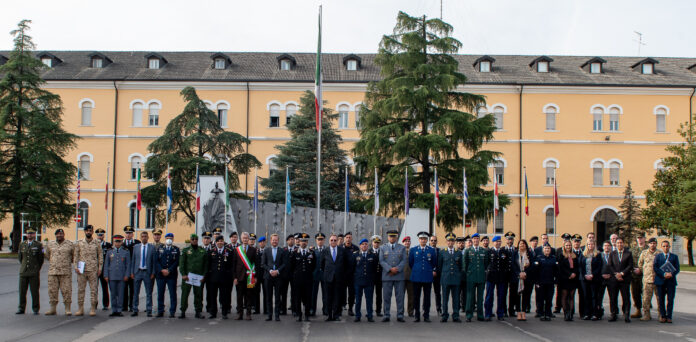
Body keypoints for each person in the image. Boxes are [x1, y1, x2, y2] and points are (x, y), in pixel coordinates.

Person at [73, 225, 104, 316]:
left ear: (92, 232)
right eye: (87, 231)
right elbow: (76, 256)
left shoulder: (97, 242)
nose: (88, 232)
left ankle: (93, 308)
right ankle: (80, 308)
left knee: (93, 290)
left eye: (90, 231)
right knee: (81, 290)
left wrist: (100, 268)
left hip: (93, 270)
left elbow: (100, 256)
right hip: (82, 270)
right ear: (84, 232)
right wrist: (76, 267)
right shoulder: (79, 243)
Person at [45, 228, 75, 316]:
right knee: (52, 291)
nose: (59, 235)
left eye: (61, 234)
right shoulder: (50, 244)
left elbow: (73, 257)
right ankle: (52, 309)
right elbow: (47, 255)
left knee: (66, 290)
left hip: (65, 272)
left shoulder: (70, 244)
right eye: (58, 234)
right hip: (53, 272)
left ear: (64, 235)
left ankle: (67, 309)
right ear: (55, 235)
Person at [380, 230, 407, 322]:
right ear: (388, 237)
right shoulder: (383, 248)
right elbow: (381, 261)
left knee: (400, 297)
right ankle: (386, 314)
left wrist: (396, 269)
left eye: (394, 236)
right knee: (386, 296)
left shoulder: (402, 248)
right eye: (390, 236)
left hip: (399, 276)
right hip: (387, 276)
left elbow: (404, 260)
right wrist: (390, 269)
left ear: (396, 237)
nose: (392, 238)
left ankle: (400, 315)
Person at [409, 231, 437, 322]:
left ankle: (426, 315)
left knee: (427, 297)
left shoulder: (431, 250)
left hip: (427, 277)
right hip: (416, 277)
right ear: (418, 239)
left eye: (425, 239)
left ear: (427, 240)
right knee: (416, 297)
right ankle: (417, 315)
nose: (423, 240)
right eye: (421, 239)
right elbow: (411, 263)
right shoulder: (413, 250)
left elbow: (434, 263)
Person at [179, 234, 209, 319]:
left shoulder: (202, 251)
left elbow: (205, 265)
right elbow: (182, 264)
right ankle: (183, 311)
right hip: (188, 276)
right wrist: (183, 274)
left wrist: (204, 275)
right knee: (185, 294)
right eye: (193, 239)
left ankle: (198, 311)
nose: (194, 240)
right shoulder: (185, 250)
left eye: (196, 239)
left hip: (198, 277)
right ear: (190, 240)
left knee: (198, 295)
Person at [320, 234, 349, 321]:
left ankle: (336, 315)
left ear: (337, 241)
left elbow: (345, 263)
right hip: (328, 277)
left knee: (337, 297)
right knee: (328, 297)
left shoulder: (342, 250)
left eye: (335, 240)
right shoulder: (325, 251)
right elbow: (322, 264)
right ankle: (329, 315)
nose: (333, 242)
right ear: (329, 241)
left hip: (339, 277)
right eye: (331, 240)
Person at [604, 236, 633, 322]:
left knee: (626, 297)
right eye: (618, 243)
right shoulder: (612, 253)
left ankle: (626, 314)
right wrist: (616, 274)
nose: (619, 244)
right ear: (615, 244)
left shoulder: (628, 253)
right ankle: (613, 314)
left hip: (624, 279)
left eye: (621, 243)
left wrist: (622, 273)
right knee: (613, 297)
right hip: (614, 279)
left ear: (623, 243)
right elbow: (610, 265)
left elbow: (630, 265)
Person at [288, 233, 315, 321]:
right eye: (302, 241)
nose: (303, 243)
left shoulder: (311, 253)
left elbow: (314, 265)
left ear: (307, 242)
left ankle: (307, 315)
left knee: (308, 298)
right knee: (297, 297)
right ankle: (299, 314)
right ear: (299, 242)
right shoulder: (295, 253)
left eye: (305, 241)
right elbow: (291, 266)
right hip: (297, 280)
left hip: (308, 279)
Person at [17, 228, 44, 315]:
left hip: (34, 272)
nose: (30, 235)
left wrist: (36, 268)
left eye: (31, 234)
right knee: (22, 291)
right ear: (26, 235)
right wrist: (24, 266)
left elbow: (41, 259)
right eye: (28, 234)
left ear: (34, 235)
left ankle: (35, 308)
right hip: (24, 271)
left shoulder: (38, 245)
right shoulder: (22, 244)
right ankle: (21, 308)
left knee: (34, 291)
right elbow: (20, 258)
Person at [261, 234, 288, 321]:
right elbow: (263, 264)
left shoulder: (282, 251)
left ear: (278, 241)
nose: (274, 241)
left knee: (277, 297)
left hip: (278, 277)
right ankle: (269, 315)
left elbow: (284, 264)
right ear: (270, 241)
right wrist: (270, 270)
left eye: (276, 240)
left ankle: (277, 315)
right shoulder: (266, 251)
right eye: (273, 240)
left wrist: (277, 271)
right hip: (268, 277)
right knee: (268, 297)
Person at [232, 232, 257, 320]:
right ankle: (240, 313)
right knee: (239, 296)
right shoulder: (237, 250)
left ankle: (248, 314)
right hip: (239, 277)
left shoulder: (253, 250)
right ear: (241, 239)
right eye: (244, 238)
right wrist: (234, 277)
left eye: (247, 238)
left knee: (249, 296)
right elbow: (234, 264)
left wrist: (255, 276)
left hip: (249, 277)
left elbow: (255, 263)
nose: (245, 240)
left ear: (249, 239)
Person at [463, 233, 488, 322]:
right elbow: (464, 264)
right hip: (471, 277)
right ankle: (469, 315)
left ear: (479, 240)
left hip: (480, 276)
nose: (476, 240)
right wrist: (467, 274)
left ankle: (480, 315)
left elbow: (486, 263)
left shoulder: (483, 251)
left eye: (477, 239)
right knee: (470, 297)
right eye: (474, 239)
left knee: (480, 297)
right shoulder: (468, 251)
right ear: (472, 240)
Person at [104, 235, 131, 317]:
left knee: (120, 294)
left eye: (119, 241)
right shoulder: (109, 251)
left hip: (122, 276)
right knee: (113, 293)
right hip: (112, 276)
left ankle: (119, 309)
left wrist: (127, 275)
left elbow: (128, 265)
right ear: (114, 242)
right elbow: (106, 264)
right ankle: (114, 310)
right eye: (116, 241)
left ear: (122, 242)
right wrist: (106, 275)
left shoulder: (126, 251)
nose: (118, 243)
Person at [484, 235, 510, 321]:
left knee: (501, 296)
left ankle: (500, 313)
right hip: (491, 276)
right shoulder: (489, 251)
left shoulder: (504, 252)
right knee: (489, 296)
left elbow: (506, 264)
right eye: (496, 241)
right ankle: (488, 313)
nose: (498, 243)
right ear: (493, 242)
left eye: (499, 241)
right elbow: (486, 263)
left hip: (501, 276)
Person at [130, 231, 155, 317]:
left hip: (147, 272)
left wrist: (153, 272)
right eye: (142, 236)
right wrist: (132, 272)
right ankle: (135, 309)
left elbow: (153, 262)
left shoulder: (152, 247)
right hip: (137, 272)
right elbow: (133, 260)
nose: (144, 238)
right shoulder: (136, 247)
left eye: (145, 236)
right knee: (136, 292)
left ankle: (149, 310)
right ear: (140, 238)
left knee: (148, 292)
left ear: (148, 238)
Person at [208, 236, 233, 319]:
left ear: (224, 242)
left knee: (224, 296)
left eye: (221, 241)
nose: (220, 242)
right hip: (213, 278)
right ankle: (213, 312)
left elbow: (231, 265)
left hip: (224, 278)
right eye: (218, 241)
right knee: (213, 296)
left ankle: (224, 312)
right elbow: (208, 265)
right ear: (215, 242)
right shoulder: (211, 251)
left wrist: (230, 276)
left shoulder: (228, 251)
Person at [352, 238, 377, 322]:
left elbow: (375, 268)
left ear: (368, 245)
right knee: (358, 299)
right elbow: (353, 268)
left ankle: (370, 315)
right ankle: (357, 315)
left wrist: (373, 279)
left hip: (369, 281)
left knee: (369, 299)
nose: (364, 245)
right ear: (360, 246)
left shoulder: (372, 255)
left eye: (366, 244)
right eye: (362, 244)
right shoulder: (355, 255)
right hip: (358, 281)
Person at [438, 232, 462, 322]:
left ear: (454, 242)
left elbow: (460, 266)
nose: (450, 243)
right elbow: (439, 266)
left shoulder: (458, 253)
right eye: (449, 241)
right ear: (446, 242)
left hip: (455, 278)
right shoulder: (442, 252)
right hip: (445, 278)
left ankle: (455, 315)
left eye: (452, 241)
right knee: (445, 298)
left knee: (456, 298)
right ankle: (444, 315)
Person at [654, 240, 679, 323]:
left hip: (671, 281)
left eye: (667, 246)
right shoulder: (658, 256)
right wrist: (664, 274)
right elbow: (655, 268)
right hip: (660, 281)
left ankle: (669, 316)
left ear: (669, 247)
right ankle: (663, 315)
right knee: (661, 299)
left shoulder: (674, 257)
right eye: (664, 246)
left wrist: (671, 274)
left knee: (670, 299)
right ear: (661, 247)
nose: (665, 247)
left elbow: (677, 268)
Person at [155, 232, 180, 318]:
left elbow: (177, 261)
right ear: (165, 239)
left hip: (171, 275)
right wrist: (161, 270)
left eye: (170, 238)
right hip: (161, 274)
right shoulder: (160, 248)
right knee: (160, 293)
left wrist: (169, 270)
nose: (169, 239)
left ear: (173, 239)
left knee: (172, 293)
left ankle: (172, 311)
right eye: (167, 238)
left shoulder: (176, 249)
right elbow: (156, 261)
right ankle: (160, 310)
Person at [579, 240, 603, 320]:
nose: (590, 245)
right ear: (586, 245)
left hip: (594, 278)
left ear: (594, 245)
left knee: (594, 296)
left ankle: (595, 314)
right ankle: (587, 313)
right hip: (585, 279)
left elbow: (599, 267)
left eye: (592, 244)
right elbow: (580, 266)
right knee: (586, 296)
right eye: (589, 244)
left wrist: (593, 275)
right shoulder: (583, 254)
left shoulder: (598, 255)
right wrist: (585, 275)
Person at [534, 245, 558, 321]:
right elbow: (536, 271)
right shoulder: (539, 258)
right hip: (541, 282)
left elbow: (556, 271)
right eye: (545, 248)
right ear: (543, 250)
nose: (547, 250)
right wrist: (536, 281)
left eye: (548, 248)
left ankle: (548, 313)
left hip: (550, 282)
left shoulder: (553, 258)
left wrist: (556, 281)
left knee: (549, 298)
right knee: (541, 298)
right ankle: (541, 313)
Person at [638, 237, 659, 321]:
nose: (652, 245)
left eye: (654, 243)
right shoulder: (644, 253)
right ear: (648, 244)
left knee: (659, 299)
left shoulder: (659, 253)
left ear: (656, 244)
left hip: (657, 280)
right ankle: (646, 315)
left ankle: (660, 315)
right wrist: (645, 272)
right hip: (647, 280)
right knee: (646, 299)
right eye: (651, 243)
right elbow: (640, 264)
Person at [558, 240, 580, 321]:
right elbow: (561, 267)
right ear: (564, 246)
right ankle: (566, 313)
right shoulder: (561, 255)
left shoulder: (575, 255)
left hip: (573, 279)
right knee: (564, 296)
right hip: (565, 278)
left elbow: (577, 266)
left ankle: (571, 313)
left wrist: (574, 273)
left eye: (569, 245)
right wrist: (569, 274)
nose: (568, 247)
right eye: (567, 245)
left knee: (571, 296)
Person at [512, 239, 532, 321]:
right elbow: (513, 265)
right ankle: (518, 312)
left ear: (526, 245)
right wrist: (519, 273)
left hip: (526, 278)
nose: (522, 245)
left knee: (525, 295)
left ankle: (523, 312)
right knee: (517, 295)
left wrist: (525, 273)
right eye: (520, 244)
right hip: (517, 278)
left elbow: (532, 265)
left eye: (523, 244)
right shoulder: (515, 253)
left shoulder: (529, 254)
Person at [122, 226, 140, 312]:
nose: (128, 235)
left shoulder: (137, 243)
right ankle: (124, 306)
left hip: (134, 269)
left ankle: (132, 305)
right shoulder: (121, 243)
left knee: (133, 289)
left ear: (132, 234)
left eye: (130, 233)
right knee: (124, 288)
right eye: (126, 233)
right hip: (124, 270)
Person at [630, 234, 648, 319]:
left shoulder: (648, 248)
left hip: (645, 275)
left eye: (641, 238)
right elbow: (630, 261)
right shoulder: (633, 249)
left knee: (645, 294)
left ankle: (646, 312)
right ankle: (638, 310)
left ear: (644, 239)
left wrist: (641, 270)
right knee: (635, 293)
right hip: (634, 276)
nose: (640, 240)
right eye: (638, 238)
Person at [343, 231, 359, 316]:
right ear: (344, 239)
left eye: (350, 237)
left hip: (352, 275)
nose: (348, 239)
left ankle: (350, 308)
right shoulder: (340, 248)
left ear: (352, 239)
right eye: (347, 237)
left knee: (352, 293)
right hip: (342, 275)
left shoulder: (356, 248)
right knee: (341, 292)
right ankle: (340, 307)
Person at [311, 233, 327, 317]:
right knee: (313, 294)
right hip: (315, 274)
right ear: (316, 240)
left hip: (324, 274)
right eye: (318, 239)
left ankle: (325, 310)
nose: (320, 241)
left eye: (322, 239)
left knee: (325, 293)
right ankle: (312, 310)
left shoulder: (327, 250)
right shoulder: (313, 251)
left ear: (324, 240)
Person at [95, 228, 112, 311]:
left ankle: (105, 304)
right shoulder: (93, 245)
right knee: (94, 288)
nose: (100, 237)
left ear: (103, 236)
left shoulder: (108, 245)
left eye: (101, 235)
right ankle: (94, 303)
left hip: (104, 269)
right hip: (95, 269)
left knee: (105, 287)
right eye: (98, 235)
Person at [570, 234, 585, 318]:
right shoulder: (569, 252)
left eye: (578, 241)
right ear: (572, 242)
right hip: (572, 277)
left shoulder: (583, 252)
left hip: (581, 277)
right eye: (575, 241)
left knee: (582, 295)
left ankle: (582, 313)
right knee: (571, 295)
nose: (577, 243)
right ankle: (571, 312)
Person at [598, 240, 613, 320]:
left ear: (611, 247)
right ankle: (599, 311)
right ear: (603, 247)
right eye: (605, 246)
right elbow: (597, 266)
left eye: (608, 245)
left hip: (611, 278)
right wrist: (601, 274)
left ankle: (613, 313)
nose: (607, 247)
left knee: (612, 297)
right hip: (601, 278)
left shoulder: (614, 255)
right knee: (599, 296)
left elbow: (615, 266)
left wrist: (611, 274)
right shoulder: (599, 255)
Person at [281, 234, 295, 316]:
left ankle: (294, 309)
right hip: (284, 275)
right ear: (287, 241)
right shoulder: (283, 250)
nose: (291, 241)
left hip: (293, 275)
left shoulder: (297, 250)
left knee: (294, 293)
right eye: (289, 239)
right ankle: (283, 309)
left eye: (292, 239)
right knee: (283, 293)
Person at [503, 232, 516, 317]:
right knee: (503, 293)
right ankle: (503, 310)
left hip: (513, 274)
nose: (510, 241)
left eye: (511, 239)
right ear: (506, 240)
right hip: (504, 274)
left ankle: (511, 310)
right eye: (508, 239)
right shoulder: (503, 250)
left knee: (513, 293)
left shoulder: (516, 250)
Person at [254, 235, 267, 315]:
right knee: (256, 292)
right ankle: (256, 309)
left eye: (263, 242)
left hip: (265, 275)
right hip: (257, 275)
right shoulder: (256, 251)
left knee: (266, 293)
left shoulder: (268, 251)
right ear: (258, 243)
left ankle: (266, 309)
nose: (262, 243)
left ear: (265, 242)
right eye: (260, 242)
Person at [429, 234, 442, 315]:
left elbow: (440, 263)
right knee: (427, 292)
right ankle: (426, 309)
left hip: (437, 275)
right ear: (429, 241)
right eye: (432, 240)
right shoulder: (427, 250)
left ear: (437, 241)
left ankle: (439, 308)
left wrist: (436, 270)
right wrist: (431, 270)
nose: (433, 242)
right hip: (428, 274)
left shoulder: (439, 251)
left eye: (435, 240)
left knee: (437, 292)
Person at [371, 235, 383, 317]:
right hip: (371, 277)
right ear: (372, 243)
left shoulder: (382, 251)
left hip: (379, 276)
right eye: (375, 242)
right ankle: (370, 310)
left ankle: (378, 310)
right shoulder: (368, 251)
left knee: (379, 295)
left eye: (378, 243)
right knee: (370, 295)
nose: (376, 244)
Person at [402, 236, 414, 317]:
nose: (407, 243)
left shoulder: (413, 251)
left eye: (408, 241)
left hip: (411, 277)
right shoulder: (400, 252)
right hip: (402, 277)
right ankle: (401, 312)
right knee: (401, 296)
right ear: (403, 243)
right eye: (405, 241)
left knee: (411, 296)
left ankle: (410, 312)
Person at [456, 237, 468, 314]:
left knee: (465, 293)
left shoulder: (467, 252)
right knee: (457, 292)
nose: (461, 244)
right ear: (457, 244)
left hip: (466, 276)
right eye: (459, 243)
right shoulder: (455, 252)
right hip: (457, 276)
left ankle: (464, 306)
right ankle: (457, 307)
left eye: (462, 243)